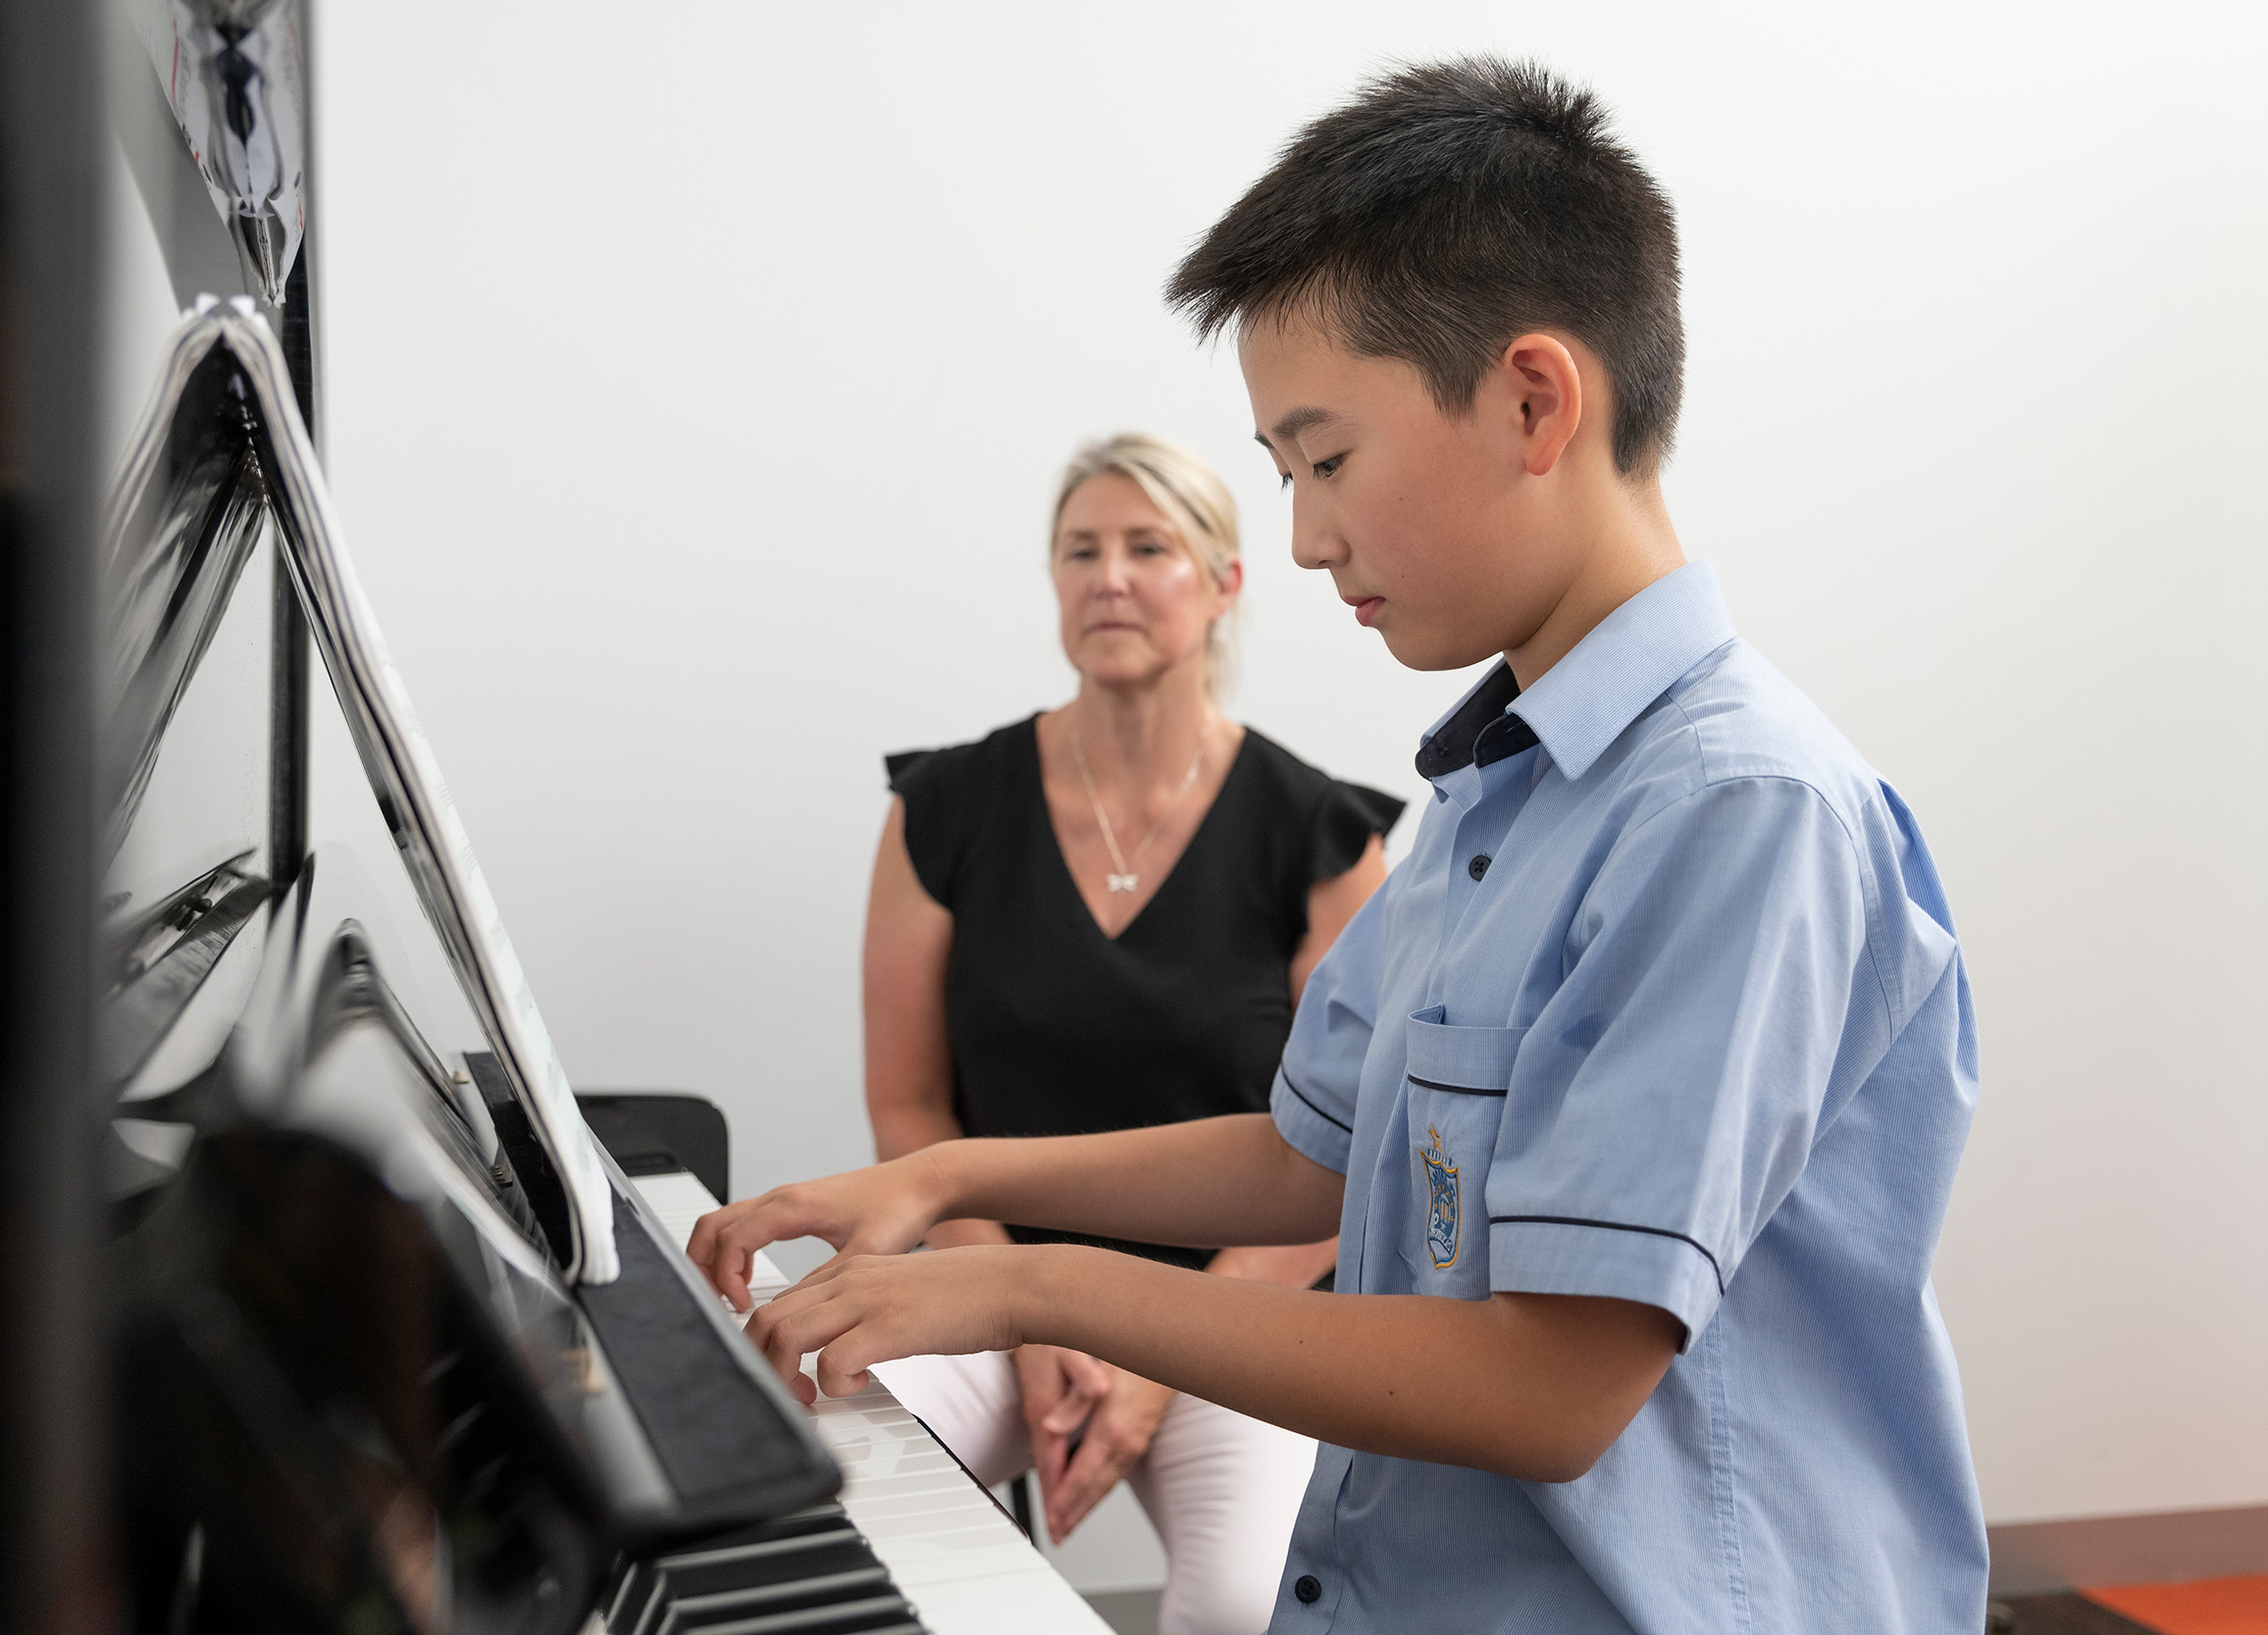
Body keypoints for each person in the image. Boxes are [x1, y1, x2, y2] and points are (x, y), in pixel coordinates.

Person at [694, 57, 1986, 1634]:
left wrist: (1034, 1278)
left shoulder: (1736, 811)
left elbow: (1550, 1385)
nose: (1305, 535)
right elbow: (1312, 1152)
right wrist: (947, 1176)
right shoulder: (1504, 784)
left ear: (1532, 400)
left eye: (1324, 459)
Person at [867, 433, 1400, 1635]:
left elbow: (1347, 1153)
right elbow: (908, 1105)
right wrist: (1024, 1299)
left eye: (1147, 547)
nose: (1108, 576)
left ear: (1222, 584)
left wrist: (1155, 1357)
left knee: (1245, 1607)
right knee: (851, 1512)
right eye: (1080, 550)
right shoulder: (942, 810)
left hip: (1231, 1309)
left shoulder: (1319, 835)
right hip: (983, 1275)